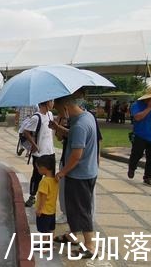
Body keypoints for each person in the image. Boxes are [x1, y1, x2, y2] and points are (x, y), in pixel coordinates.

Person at [53, 90, 98, 259]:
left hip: (80, 175)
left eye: (58, 110)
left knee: (81, 210)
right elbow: (73, 136)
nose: (59, 114)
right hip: (86, 172)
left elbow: (76, 155)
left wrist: (62, 172)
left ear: (65, 107)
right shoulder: (86, 117)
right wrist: (58, 128)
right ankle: (72, 236)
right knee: (73, 208)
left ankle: (90, 246)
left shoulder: (79, 125)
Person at [21, 100, 55, 207]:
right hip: (39, 154)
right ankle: (32, 197)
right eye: (51, 101)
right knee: (37, 176)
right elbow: (25, 132)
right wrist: (34, 145)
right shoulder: (36, 117)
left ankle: (48, 198)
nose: (53, 103)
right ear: (46, 103)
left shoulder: (50, 114)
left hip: (50, 152)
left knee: (50, 177)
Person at [34, 155, 59, 242]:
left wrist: (39, 209)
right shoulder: (55, 180)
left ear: (44, 168)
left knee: (44, 230)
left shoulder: (44, 181)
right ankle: (50, 243)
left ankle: (44, 245)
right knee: (51, 228)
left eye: (38, 168)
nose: (37, 170)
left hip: (44, 211)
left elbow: (43, 196)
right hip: (52, 210)